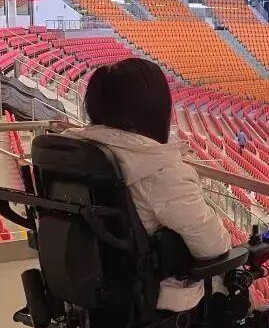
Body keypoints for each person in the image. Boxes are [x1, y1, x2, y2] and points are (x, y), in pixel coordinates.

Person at [66, 58, 231, 313]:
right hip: (150, 301)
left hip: (88, 290)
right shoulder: (161, 171)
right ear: (153, 109)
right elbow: (213, 247)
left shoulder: (75, 152)